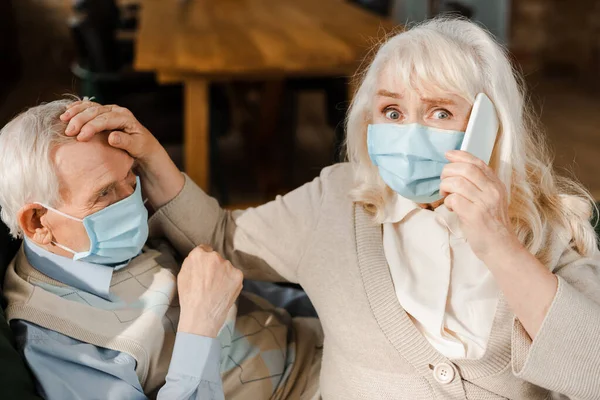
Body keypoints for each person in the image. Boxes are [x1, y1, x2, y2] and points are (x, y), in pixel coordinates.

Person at [62, 18, 600, 399]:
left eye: (439, 111)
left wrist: (499, 245)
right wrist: (154, 156)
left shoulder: (549, 225)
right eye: (391, 110)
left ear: (490, 125)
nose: (407, 132)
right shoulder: (336, 199)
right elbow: (225, 237)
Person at [0, 100, 323, 400]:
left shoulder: (97, 242)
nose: (132, 201)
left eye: (130, 176)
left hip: (319, 337)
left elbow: (245, 283)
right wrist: (200, 327)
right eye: (105, 193)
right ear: (36, 222)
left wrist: (330, 309)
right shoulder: (55, 338)